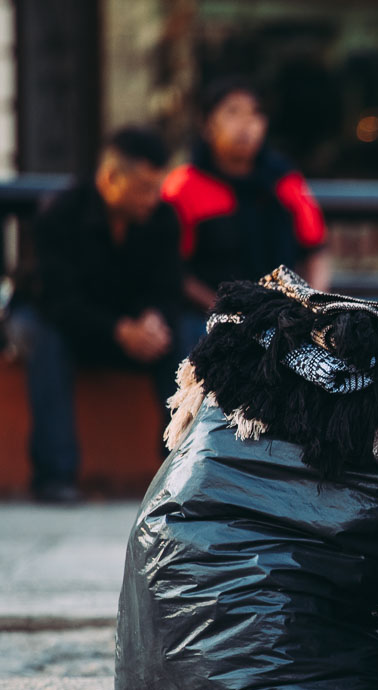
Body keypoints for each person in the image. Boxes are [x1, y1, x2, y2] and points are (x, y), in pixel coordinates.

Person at [8, 127, 183, 503]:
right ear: (109, 177)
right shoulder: (60, 214)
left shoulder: (163, 218)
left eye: (157, 186)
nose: (152, 198)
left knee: (186, 336)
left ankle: (181, 470)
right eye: (142, 187)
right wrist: (119, 330)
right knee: (44, 338)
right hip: (55, 318)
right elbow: (57, 301)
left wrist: (154, 319)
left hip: (129, 326)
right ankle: (55, 476)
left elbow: (169, 288)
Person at [162, 77, 329, 353]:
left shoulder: (284, 179)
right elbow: (175, 271)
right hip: (208, 316)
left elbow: (317, 250)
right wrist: (229, 311)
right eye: (232, 112)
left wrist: (311, 305)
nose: (245, 124)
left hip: (284, 317)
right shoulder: (184, 186)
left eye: (255, 113)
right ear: (207, 124)